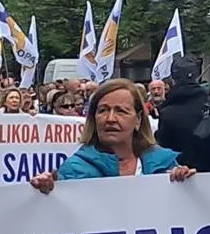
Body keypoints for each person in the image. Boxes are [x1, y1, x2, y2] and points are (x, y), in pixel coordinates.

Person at [31, 79, 194, 188]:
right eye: (103, 110)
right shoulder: (74, 171)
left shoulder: (165, 164)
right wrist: (47, 194)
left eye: (121, 111)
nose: (110, 119)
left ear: (138, 119)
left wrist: (186, 184)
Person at [155, 57, 210, 173]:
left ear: (173, 79)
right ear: (196, 77)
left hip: (184, 179)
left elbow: (165, 152)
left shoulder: (167, 113)